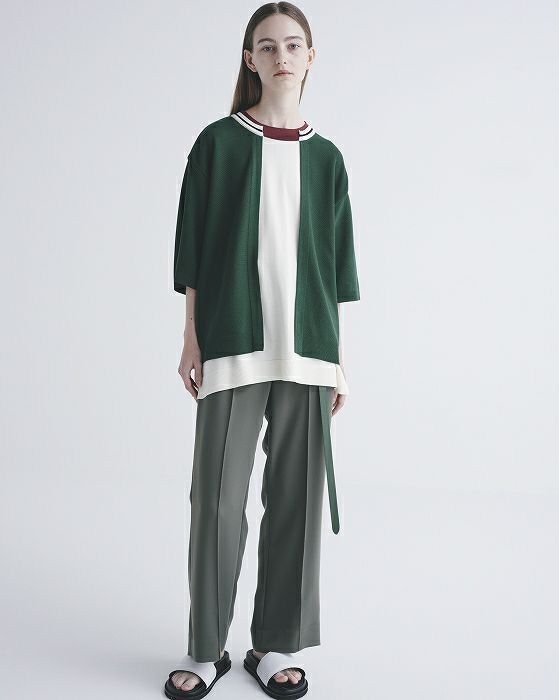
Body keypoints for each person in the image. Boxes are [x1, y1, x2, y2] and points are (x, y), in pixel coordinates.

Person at [163, 3, 360, 698]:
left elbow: (335, 269)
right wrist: (191, 335)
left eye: (293, 45)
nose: (281, 56)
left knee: (296, 503)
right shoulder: (218, 143)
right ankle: (206, 649)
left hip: (308, 350)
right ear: (249, 58)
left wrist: (337, 361)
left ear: (310, 57)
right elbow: (193, 248)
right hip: (233, 340)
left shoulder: (327, 158)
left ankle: (274, 645)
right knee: (216, 501)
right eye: (267, 46)